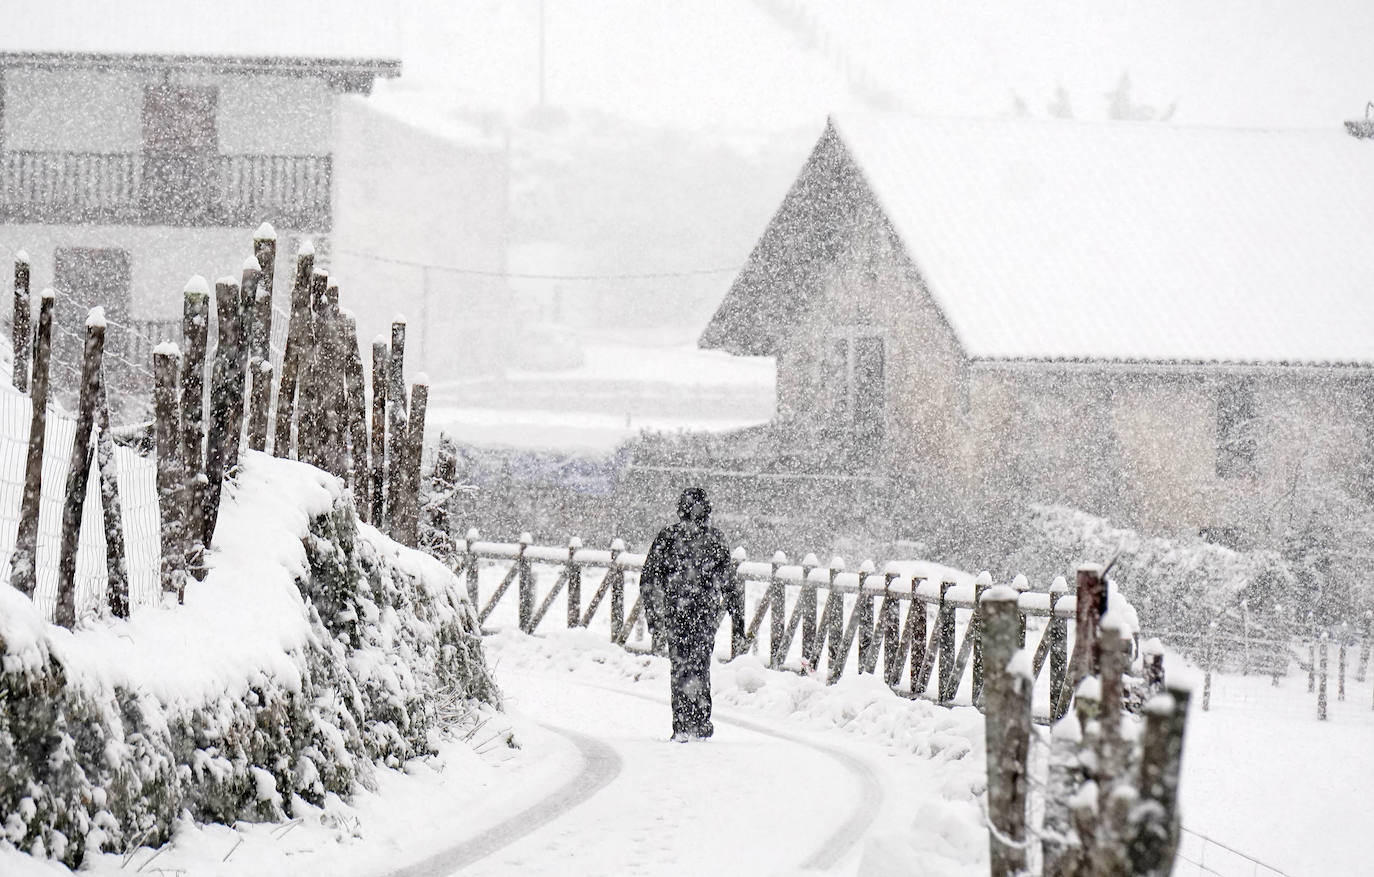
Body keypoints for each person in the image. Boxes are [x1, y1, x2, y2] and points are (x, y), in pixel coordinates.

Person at [640, 487, 742, 742]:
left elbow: (650, 580)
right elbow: (730, 583)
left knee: (680, 667)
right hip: (704, 615)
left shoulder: (668, 538)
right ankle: (700, 721)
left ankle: (682, 724)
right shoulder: (715, 539)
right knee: (699, 665)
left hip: (676, 614)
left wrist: (654, 616)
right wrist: (737, 618)